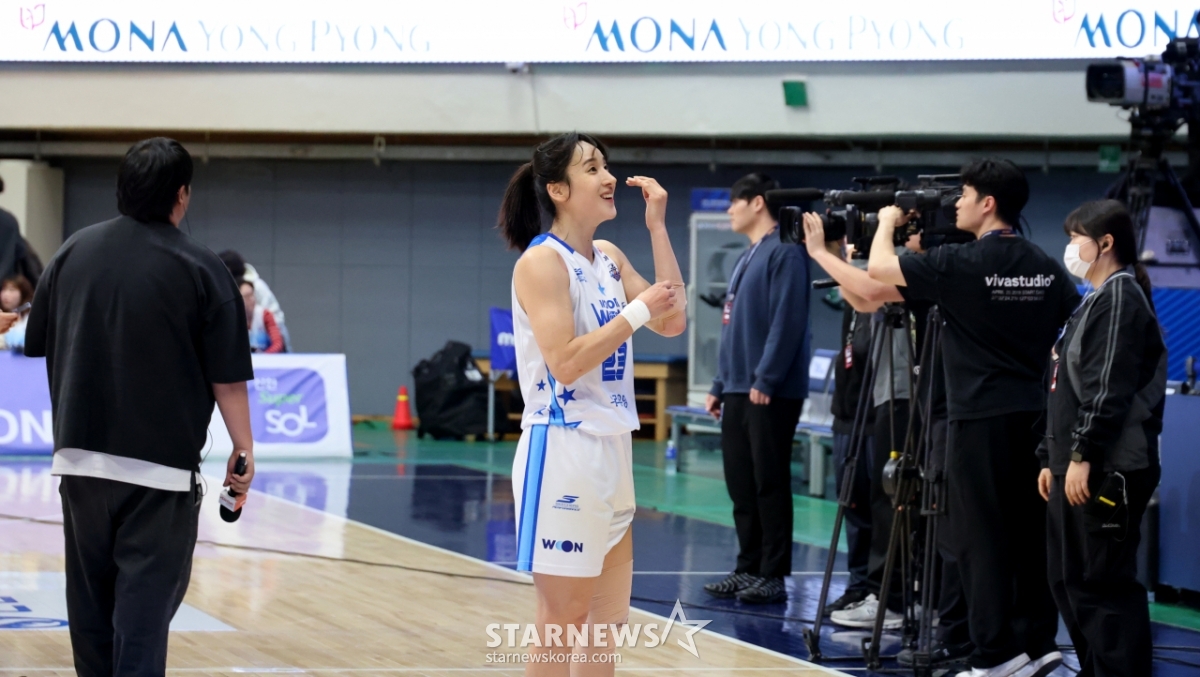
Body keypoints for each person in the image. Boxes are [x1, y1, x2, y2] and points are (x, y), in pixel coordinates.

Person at [23, 137, 257, 677]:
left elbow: (39, 342)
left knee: (90, 611)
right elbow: (227, 376)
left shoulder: (71, 252)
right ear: (182, 195)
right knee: (143, 618)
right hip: (160, 474)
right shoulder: (203, 268)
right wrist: (242, 449)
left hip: (79, 463)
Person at [868, 159, 1079, 677]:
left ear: (988, 203)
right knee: (1029, 538)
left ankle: (994, 657)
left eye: (963, 194)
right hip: (1035, 421)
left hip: (979, 419)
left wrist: (887, 223)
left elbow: (878, 271)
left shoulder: (961, 263)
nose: (955, 204)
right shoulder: (1046, 265)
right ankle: (1037, 644)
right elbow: (1069, 329)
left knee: (981, 541)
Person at [498, 132, 685, 676]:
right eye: (593, 168)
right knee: (563, 621)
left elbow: (673, 320)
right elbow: (564, 361)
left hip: (613, 449)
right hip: (564, 449)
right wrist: (636, 312)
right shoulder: (541, 262)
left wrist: (657, 228)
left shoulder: (609, 257)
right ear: (558, 189)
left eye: (606, 165)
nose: (609, 178)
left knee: (606, 626)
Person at [1037, 200, 1165, 677]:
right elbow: (1064, 388)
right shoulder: (1094, 299)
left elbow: (1107, 388)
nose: (1070, 247)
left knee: (1101, 586)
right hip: (1073, 463)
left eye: (1076, 238)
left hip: (1110, 469)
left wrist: (1082, 454)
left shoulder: (1121, 298)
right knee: (1068, 581)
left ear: (1105, 243)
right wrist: (1050, 456)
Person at [702, 173, 811, 605]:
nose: (730, 209)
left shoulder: (785, 250)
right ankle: (747, 566)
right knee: (742, 484)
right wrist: (719, 383)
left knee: (769, 482)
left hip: (770, 390)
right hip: (737, 387)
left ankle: (773, 573)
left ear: (758, 202)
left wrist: (767, 377)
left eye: (735, 201)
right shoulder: (748, 254)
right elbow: (733, 327)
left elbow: (788, 319)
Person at [219, 249, 291, 350]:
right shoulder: (231, 286)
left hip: (269, 328)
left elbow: (275, 337)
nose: (250, 299)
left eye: (250, 295)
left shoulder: (257, 287)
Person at [241, 280, 285, 353]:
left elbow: (278, 343)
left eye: (252, 295)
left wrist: (263, 357)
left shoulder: (265, 314)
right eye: (247, 296)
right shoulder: (234, 319)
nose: (252, 299)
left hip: (266, 357)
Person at [0, 275, 33, 351]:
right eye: (4, 289)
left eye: (11, 290)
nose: (6, 295)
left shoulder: (31, 318)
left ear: (23, 293)